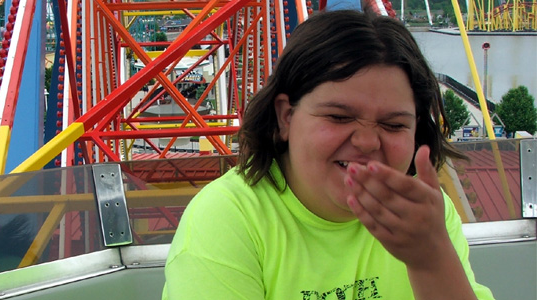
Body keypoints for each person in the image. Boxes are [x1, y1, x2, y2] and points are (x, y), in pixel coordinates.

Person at [162, 9, 495, 300]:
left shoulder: (424, 217)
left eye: (393, 125)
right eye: (338, 117)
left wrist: (431, 258)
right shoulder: (228, 219)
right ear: (286, 117)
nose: (367, 142)